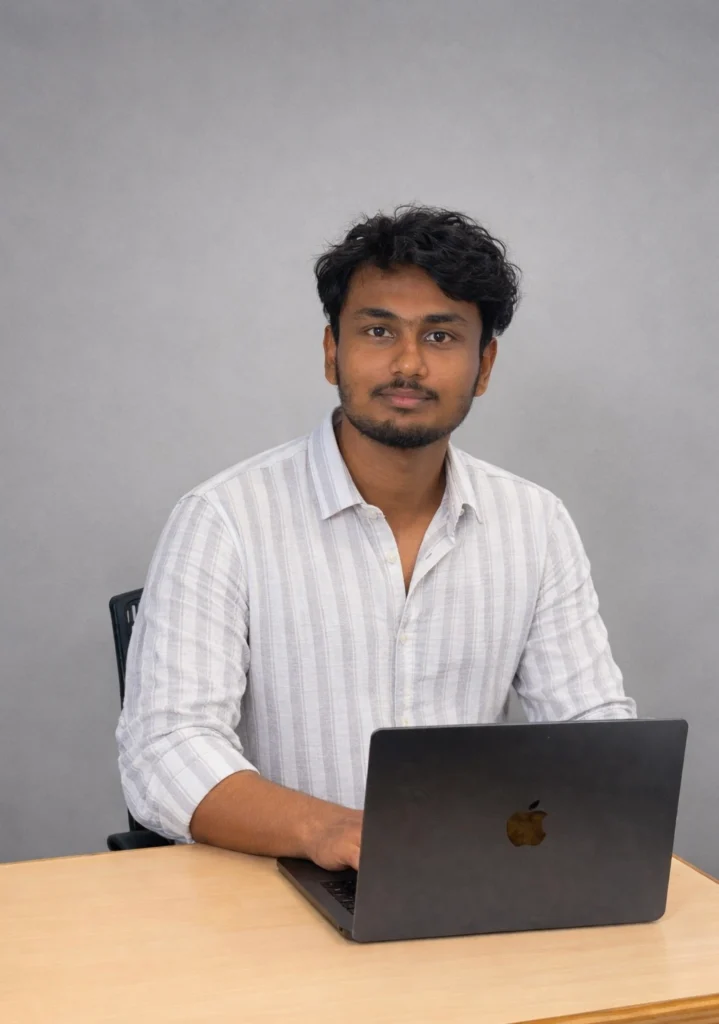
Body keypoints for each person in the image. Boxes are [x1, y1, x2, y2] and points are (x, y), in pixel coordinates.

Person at [116, 204, 636, 872]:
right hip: (275, 887)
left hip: (467, 875)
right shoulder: (224, 518)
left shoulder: (534, 523)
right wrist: (325, 831)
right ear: (332, 352)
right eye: (377, 330)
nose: (408, 364)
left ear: (484, 365)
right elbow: (164, 749)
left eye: (442, 337)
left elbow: (589, 729)